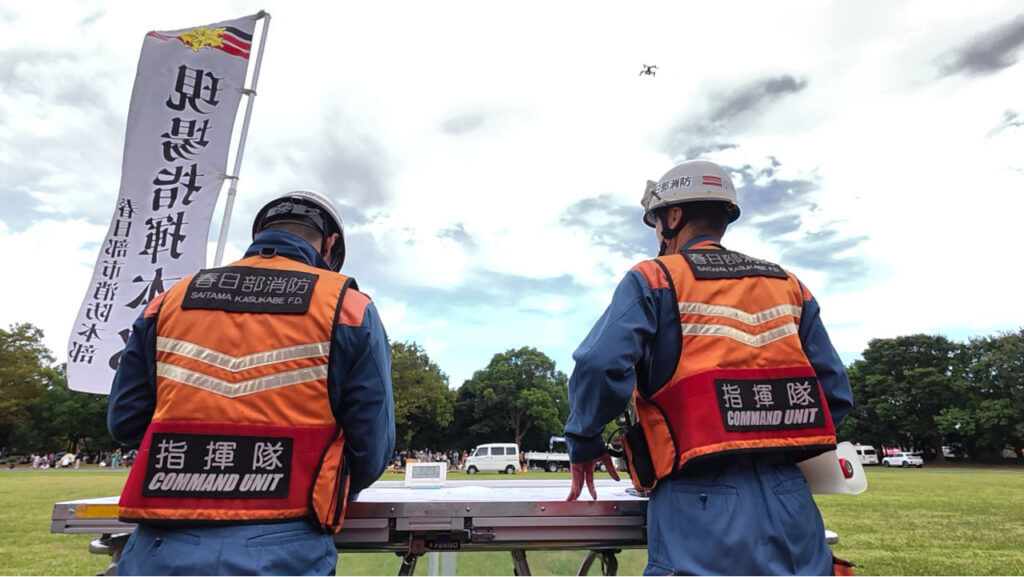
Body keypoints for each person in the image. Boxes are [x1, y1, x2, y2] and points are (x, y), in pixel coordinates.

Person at [564, 160, 853, 575]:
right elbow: (835, 396)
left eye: (658, 222)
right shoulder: (788, 285)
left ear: (674, 216)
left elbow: (598, 363)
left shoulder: (656, 277)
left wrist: (584, 441)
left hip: (696, 498)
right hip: (790, 497)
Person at [108, 190, 396, 576]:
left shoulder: (168, 301)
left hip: (162, 543)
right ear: (330, 245)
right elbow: (372, 446)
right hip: (286, 538)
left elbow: (125, 421)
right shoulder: (349, 307)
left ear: (259, 235)